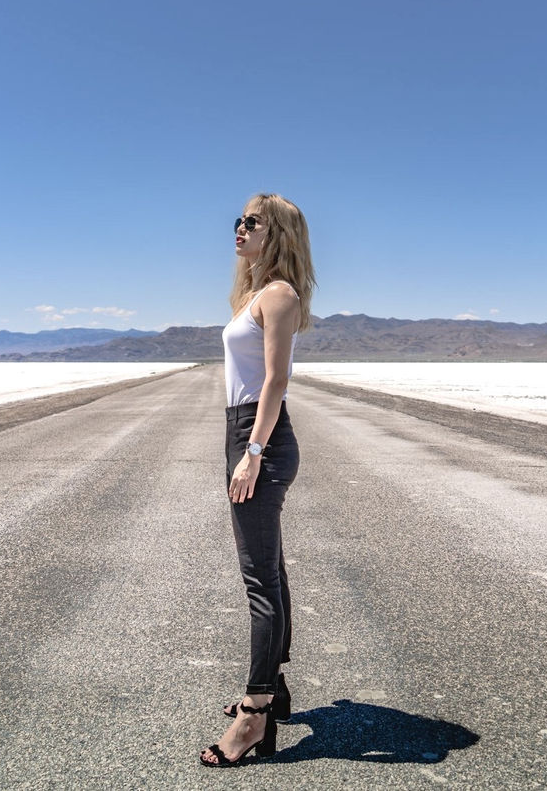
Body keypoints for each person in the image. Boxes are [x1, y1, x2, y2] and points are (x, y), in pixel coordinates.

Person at [199, 193, 317, 767]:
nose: (239, 229)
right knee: (268, 567)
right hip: (244, 431)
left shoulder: (280, 295)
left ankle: (256, 711)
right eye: (238, 220)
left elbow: (275, 381)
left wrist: (252, 452)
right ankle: (277, 687)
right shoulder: (253, 294)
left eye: (252, 223)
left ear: (279, 236)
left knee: (258, 580)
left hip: (260, 437)